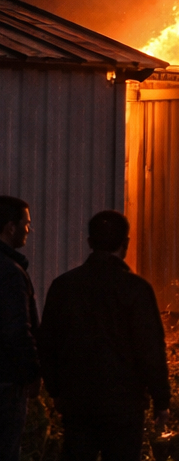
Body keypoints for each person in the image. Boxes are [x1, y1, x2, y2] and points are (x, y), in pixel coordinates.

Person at [39, 211, 170, 461]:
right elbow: (150, 349)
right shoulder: (136, 289)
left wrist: (56, 390)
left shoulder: (64, 286)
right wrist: (161, 400)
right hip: (124, 403)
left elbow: (47, 343)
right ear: (125, 243)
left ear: (90, 242)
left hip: (77, 401)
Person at [0, 197, 38, 461]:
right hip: (7, 380)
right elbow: (17, 330)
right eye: (26, 224)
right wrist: (32, 373)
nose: (28, 230)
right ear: (10, 227)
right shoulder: (11, 272)